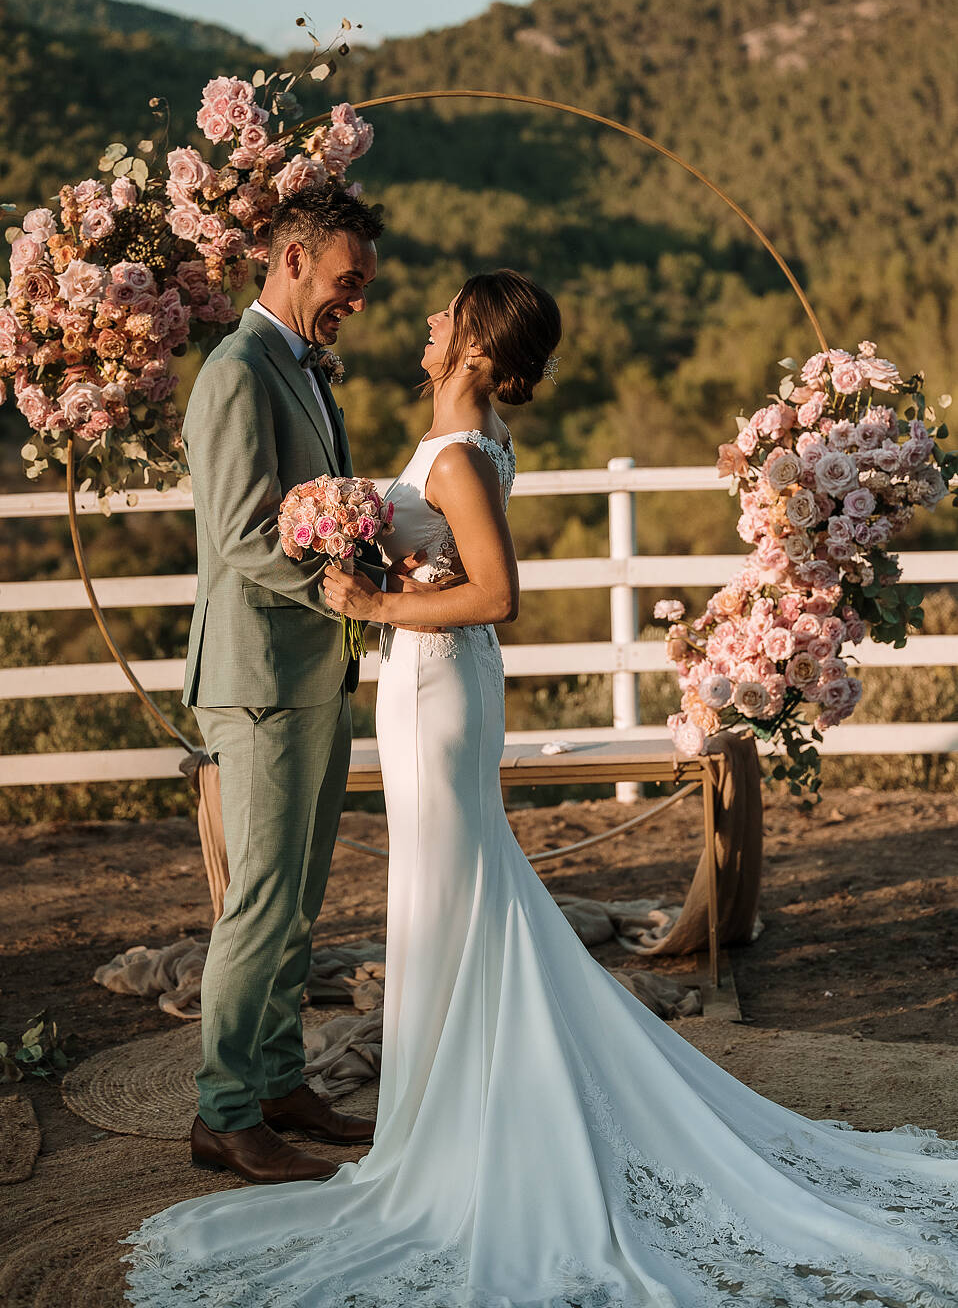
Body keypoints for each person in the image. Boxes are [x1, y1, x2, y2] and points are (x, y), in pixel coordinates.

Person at [127, 269, 958, 1305]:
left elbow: (498, 593)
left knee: (455, 896)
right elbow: (455, 573)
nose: (428, 323)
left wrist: (372, 605)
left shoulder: (461, 455)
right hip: (430, 682)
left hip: (437, 688)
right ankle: (467, 1103)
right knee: (454, 895)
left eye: (446, 316)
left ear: (476, 350)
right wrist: (382, 581)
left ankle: (478, 1125)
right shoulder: (459, 444)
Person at [179, 181, 419, 1186]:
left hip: (313, 669)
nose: (353, 302)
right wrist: (349, 593)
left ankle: (279, 1082)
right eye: (344, 282)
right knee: (261, 901)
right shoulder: (237, 373)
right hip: (261, 674)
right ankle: (224, 1112)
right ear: (290, 260)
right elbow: (240, 537)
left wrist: (369, 565)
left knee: (299, 898)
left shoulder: (303, 367)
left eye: (361, 286)